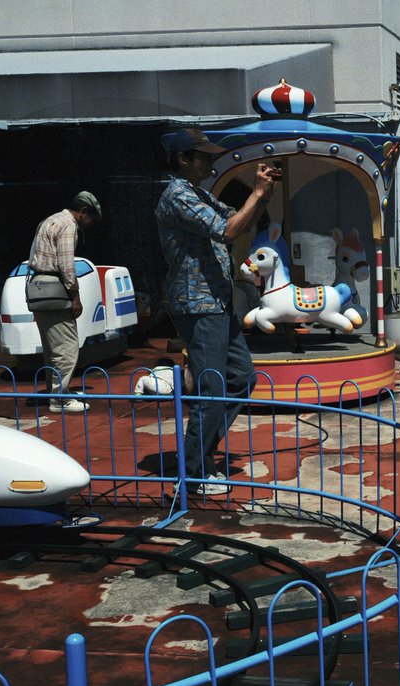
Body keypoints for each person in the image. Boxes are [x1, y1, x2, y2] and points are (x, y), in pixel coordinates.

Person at [156, 127, 278, 495]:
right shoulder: (177, 195)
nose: (210, 162)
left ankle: (202, 452)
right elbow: (226, 230)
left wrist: (262, 196)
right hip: (198, 303)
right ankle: (194, 471)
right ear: (183, 160)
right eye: (203, 156)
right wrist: (256, 193)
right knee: (212, 386)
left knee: (241, 377)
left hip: (217, 302)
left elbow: (240, 218)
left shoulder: (198, 193)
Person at [28, 190, 102, 412]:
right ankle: (61, 400)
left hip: (37, 286)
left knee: (52, 349)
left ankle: (59, 391)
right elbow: (66, 265)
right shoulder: (68, 225)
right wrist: (75, 296)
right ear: (83, 212)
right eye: (90, 219)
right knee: (67, 347)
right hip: (54, 287)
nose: (89, 225)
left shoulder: (49, 220)